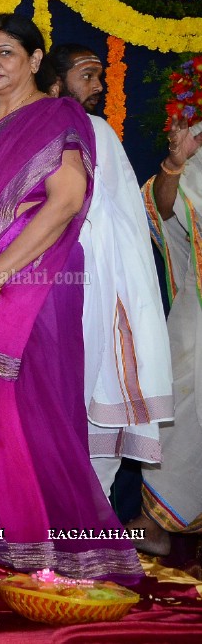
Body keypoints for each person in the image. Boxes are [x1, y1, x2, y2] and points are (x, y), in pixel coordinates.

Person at [0, 13, 140, 582]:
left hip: (35, 287)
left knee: (35, 411)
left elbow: (66, 198)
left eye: (5, 52)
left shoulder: (57, 116)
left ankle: (65, 551)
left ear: (33, 60)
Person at [44, 44, 173, 499]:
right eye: (87, 75)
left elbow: (117, 222)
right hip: (48, 283)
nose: (98, 86)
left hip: (91, 283)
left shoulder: (96, 130)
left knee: (92, 385)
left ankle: (83, 524)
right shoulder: (45, 128)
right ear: (55, 80)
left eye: (100, 76)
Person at [135, 99, 202, 554]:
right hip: (198, 309)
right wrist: (175, 165)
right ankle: (156, 523)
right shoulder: (196, 136)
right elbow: (165, 207)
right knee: (181, 396)